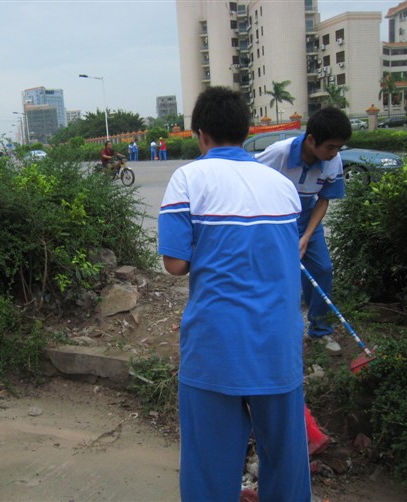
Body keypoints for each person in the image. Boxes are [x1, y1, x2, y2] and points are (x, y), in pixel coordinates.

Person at [158, 86, 311, 501]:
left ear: (201, 134)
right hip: (278, 342)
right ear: (245, 132)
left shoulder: (188, 179)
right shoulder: (280, 184)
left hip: (216, 345)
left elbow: (175, 264)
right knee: (286, 459)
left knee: (209, 463)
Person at [255, 107, 351, 355]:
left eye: (338, 147)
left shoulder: (333, 161)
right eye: (330, 147)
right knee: (277, 274)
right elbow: (251, 185)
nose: (334, 153)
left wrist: (306, 236)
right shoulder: (279, 153)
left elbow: (323, 200)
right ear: (311, 140)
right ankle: (272, 331)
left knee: (322, 269)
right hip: (275, 220)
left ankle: (320, 330)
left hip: (308, 218)